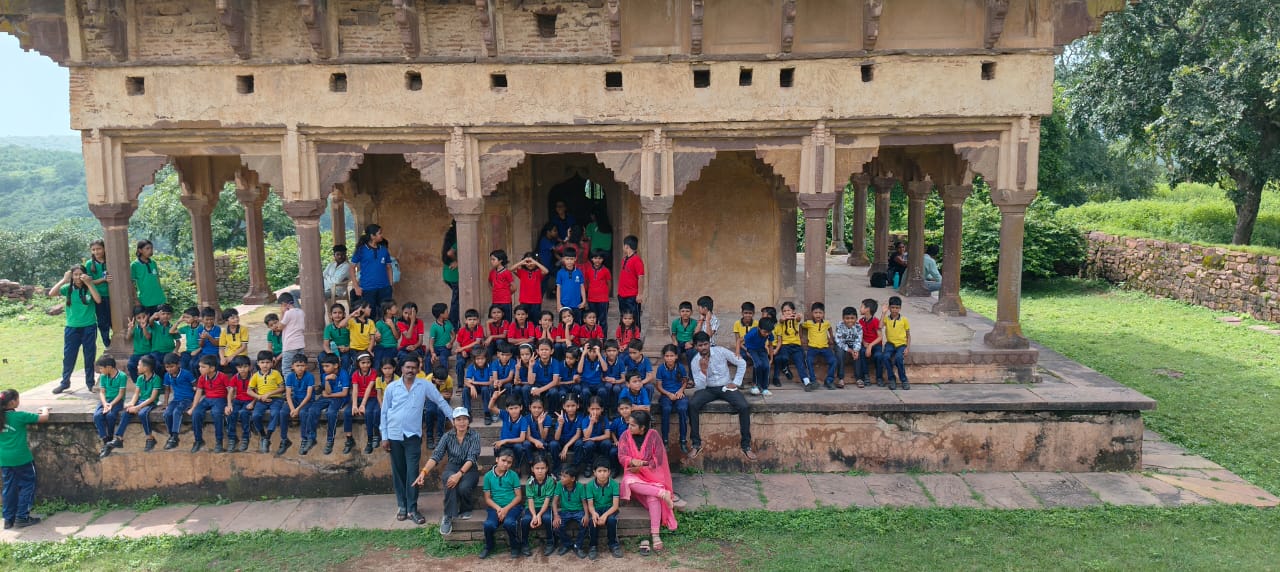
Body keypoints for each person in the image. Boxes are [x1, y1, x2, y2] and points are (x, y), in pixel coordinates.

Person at [381, 355, 455, 525]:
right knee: (399, 472)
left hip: (413, 436)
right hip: (394, 435)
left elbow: (440, 401)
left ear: (418, 369)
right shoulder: (392, 388)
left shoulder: (424, 385)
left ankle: (412, 508)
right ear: (401, 368)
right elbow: (384, 412)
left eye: (414, 367)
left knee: (413, 472)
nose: (410, 370)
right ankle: (402, 506)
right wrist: (384, 436)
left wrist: (454, 419)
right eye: (407, 367)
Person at [617, 410, 679, 554]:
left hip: (652, 474)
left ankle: (655, 534)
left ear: (642, 427)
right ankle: (662, 493)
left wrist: (643, 466)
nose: (629, 427)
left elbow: (658, 459)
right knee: (627, 482)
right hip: (633, 473)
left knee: (652, 497)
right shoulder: (625, 435)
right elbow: (621, 456)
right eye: (629, 424)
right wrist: (632, 461)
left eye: (633, 425)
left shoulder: (654, 435)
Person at [413, 406, 481, 536]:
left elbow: (472, 458)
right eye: (458, 419)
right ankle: (448, 515)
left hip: (469, 468)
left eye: (465, 419)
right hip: (452, 466)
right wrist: (423, 472)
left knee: (464, 487)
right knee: (449, 480)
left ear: (469, 420)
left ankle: (466, 508)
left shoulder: (475, 435)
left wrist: (459, 474)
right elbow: (436, 455)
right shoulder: (447, 436)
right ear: (453, 421)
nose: (462, 422)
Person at [687, 332, 755, 461]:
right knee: (692, 404)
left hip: (726, 387)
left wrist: (736, 382)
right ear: (695, 347)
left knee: (744, 406)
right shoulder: (695, 361)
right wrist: (703, 371)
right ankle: (696, 444)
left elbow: (742, 363)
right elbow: (700, 387)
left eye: (705, 344)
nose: (703, 348)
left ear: (709, 343)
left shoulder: (721, 351)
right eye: (700, 345)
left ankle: (746, 445)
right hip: (708, 389)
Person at [0, 389, 51, 530]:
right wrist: (45, 409)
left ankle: (8, 519)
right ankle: (22, 517)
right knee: (28, 484)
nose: (18, 401)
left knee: (9, 488)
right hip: (21, 458)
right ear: (12, 402)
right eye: (17, 399)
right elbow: (43, 418)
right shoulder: (19, 416)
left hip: (4, 459)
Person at [51, 266, 101, 394]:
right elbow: (51, 293)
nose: (78, 277)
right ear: (72, 276)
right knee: (69, 356)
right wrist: (64, 280)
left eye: (80, 274)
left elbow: (98, 300)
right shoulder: (68, 288)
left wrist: (89, 283)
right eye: (75, 274)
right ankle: (65, 382)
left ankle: (90, 383)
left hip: (89, 327)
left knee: (89, 356)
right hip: (72, 328)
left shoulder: (89, 287)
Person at [480, 447, 525, 559]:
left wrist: (505, 509)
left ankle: (515, 546)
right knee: (488, 525)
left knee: (509, 523)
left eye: (509, 462)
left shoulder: (513, 475)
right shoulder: (488, 476)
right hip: (495, 507)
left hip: (512, 506)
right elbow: (487, 499)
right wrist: (499, 509)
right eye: (503, 460)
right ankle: (489, 546)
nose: (505, 464)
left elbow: (518, 497)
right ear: (497, 459)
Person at [113, 354, 163, 452]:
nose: (137, 367)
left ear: (146, 367)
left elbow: (152, 398)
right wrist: (132, 403)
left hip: (150, 402)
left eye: (139, 365)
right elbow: (136, 393)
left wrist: (137, 407)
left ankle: (150, 438)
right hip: (141, 400)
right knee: (126, 412)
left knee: (142, 413)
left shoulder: (156, 379)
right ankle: (119, 438)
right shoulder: (140, 378)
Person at [189, 355, 232, 453]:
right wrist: (193, 407)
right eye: (199, 366)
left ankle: (219, 442)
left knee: (216, 413)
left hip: (220, 399)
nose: (200, 369)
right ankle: (198, 440)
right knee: (196, 413)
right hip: (207, 399)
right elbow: (198, 393)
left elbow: (230, 391)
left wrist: (229, 404)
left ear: (212, 368)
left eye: (203, 367)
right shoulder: (202, 378)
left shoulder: (222, 376)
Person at [520, 453, 559, 556]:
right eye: (537, 468)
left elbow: (547, 500)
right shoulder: (530, 482)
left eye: (542, 468)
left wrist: (539, 515)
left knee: (547, 518)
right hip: (532, 507)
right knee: (525, 520)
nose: (540, 471)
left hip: (545, 506)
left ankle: (550, 542)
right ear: (532, 469)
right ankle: (524, 544)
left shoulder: (550, 481)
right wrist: (534, 515)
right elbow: (530, 501)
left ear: (547, 469)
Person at [584, 457, 623, 559]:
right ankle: (593, 545)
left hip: (610, 508)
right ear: (594, 472)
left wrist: (605, 515)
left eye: (605, 471)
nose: (602, 474)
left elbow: (615, 506)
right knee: (592, 520)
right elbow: (590, 505)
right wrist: (593, 513)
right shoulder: (590, 485)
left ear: (609, 472)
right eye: (599, 471)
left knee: (611, 520)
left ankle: (613, 544)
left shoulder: (614, 484)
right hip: (596, 508)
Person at [349, 224, 395, 312]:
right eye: (379, 233)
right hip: (367, 289)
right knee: (369, 314)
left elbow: (389, 267)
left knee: (384, 313)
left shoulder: (384, 250)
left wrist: (390, 285)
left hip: (384, 288)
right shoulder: (361, 250)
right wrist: (356, 287)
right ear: (372, 236)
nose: (382, 235)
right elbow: (351, 268)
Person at [653, 344, 690, 451]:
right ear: (664, 357)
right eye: (667, 356)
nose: (669, 358)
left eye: (671, 356)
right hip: (666, 395)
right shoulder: (661, 368)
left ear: (676, 356)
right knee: (666, 409)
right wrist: (668, 394)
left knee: (682, 409)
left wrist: (680, 391)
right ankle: (665, 440)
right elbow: (659, 386)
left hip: (679, 394)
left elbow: (685, 382)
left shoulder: (680, 367)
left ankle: (683, 440)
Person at [248, 350, 285, 453]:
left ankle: (268, 437)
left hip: (276, 399)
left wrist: (269, 394)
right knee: (256, 415)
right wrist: (259, 397)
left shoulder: (276, 373)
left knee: (275, 413)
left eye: (268, 362)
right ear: (258, 363)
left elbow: (282, 388)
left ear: (272, 363)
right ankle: (263, 436)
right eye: (262, 362)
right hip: (261, 400)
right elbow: (249, 391)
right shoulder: (255, 375)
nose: (265, 365)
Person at [93, 355, 128, 458]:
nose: (100, 371)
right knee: (97, 416)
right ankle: (106, 441)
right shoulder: (103, 376)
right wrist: (105, 404)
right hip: (105, 400)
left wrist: (111, 404)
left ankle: (110, 437)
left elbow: (121, 394)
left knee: (110, 415)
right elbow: (102, 392)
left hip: (117, 401)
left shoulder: (122, 376)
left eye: (101, 368)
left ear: (108, 367)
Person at [281, 353, 315, 456]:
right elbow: (288, 394)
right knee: (283, 412)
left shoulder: (310, 376)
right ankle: (284, 439)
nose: (300, 368)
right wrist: (292, 409)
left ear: (306, 366)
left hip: (307, 401)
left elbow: (308, 395)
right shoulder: (290, 376)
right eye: (297, 365)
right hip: (295, 399)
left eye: (302, 365)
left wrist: (297, 409)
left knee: (303, 413)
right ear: (292, 366)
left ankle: (305, 439)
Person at [553, 463, 590, 558]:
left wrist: (586, 515)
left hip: (579, 511)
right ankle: (567, 543)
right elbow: (554, 502)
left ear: (572, 479)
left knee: (585, 523)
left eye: (564, 476)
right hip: (565, 511)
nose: (561, 478)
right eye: (561, 475)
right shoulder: (559, 485)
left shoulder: (580, 486)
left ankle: (578, 546)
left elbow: (584, 503)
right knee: (557, 525)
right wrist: (556, 515)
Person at [773, 301, 812, 389]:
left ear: (793, 311)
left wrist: (798, 316)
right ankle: (784, 368)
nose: (787, 312)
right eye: (784, 311)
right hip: (785, 345)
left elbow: (798, 318)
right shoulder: (781, 321)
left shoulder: (795, 320)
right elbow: (781, 320)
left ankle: (806, 382)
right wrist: (784, 318)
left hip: (796, 346)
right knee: (784, 358)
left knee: (800, 362)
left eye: (789, 310)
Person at [161, 353, 196, 450]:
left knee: (177, 412)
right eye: (167, 367)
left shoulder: (186, 374)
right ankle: (171, 435)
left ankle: (175, 436)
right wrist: (165, 402)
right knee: (166, 414)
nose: (169, 369)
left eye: (172, 366)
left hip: (187, 399)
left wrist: (194, 402)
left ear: (178, 364)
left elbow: (196, 387)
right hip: (176, 399)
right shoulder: (167, 376)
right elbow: (167, 390)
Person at [801, 302, 838, 390]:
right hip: (812, 348)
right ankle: (813, 380)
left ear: (823, 314)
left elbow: (829, 328)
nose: (818, 315)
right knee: (808, 360)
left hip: (825, 348)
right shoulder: (809, 323)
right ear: (812, 313)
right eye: (816, 313)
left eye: (820, 313)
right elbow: (800, 326)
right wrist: (801, 337)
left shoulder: (826, 323)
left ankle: (829, 380)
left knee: (834, 361)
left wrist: (831, 338)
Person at [83, 239, 113, 346]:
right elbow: (88, 282)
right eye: (93, 249)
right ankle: (107, 344)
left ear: (104, 249)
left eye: (99, 249)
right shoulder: (89, 264)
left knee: (114, 320)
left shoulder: (110, 261)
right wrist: (103, 279)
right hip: (98, 297)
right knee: (102, 322)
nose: (96, 252)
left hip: (112, 296)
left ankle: (119, 342)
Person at [350, 352, 381, 454]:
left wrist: (362, 405)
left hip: (372, 396)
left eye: (368, 362)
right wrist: (355, 405)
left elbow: (369, 388)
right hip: (359, 397)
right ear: (358, 363)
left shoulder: (374, 372)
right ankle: (352, 439)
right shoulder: (355, 374)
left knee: (369, 412)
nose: (366, 365)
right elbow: (355, 390)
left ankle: (373, 437)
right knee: (347, 412)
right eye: (363, 363)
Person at [881, 296, 911, 390]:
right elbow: (880, 326)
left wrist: (907, 348)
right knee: (885, 357)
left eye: (897, 308)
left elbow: (908, 335)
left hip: (901, 345)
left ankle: (904, 380)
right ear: (889, 308)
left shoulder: (904, 320)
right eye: (892, 307)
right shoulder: (886, 319)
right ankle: (891, 379)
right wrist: (883, 312)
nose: (894, 310)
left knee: (898, 358)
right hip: (890, 344)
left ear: (900, 308)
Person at [130, 239, 166, 313]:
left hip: (159, 298)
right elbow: (131, 283)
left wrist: (162, 294)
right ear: (140, 250)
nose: (150, 251)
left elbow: (157, 279)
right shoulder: (134, 265)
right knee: (148, 319)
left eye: (151, 248)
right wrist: (135, 299)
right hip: (145, 300)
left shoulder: (153, 263)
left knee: (160, 319)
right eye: (147, 248)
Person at [744, 318, 777, 396]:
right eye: (764, 332)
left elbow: (771, 345)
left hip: (761, 349)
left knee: (767, 365)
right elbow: (739, 341)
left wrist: (771, 358)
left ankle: (764, 388)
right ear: (759, 328)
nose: (766, 334)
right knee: (758, 364)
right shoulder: (753, 332)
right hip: (752, 349)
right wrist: (740, 352)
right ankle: (755, 386)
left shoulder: (769, 333)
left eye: (768, 332)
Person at [858, 299, 886, 388]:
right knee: (862, 352)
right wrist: (863, 342)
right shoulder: (861, 321)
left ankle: (879, 377)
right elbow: (860, 335)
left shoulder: (875, 321)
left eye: (862, 307)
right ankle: (865, 376)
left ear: (867, 309)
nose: (860, 308)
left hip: (876, 344)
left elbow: (880, 337)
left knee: (878, 356)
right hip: (865, 344)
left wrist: (870, 345)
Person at [617, 235, 644, 326]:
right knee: (623, 318)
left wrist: (640, 294)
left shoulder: (637, 260)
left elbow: (641, 277)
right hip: (622, 295)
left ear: (626, 246)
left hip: (632, 296)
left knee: (634, 319)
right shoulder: (624, 259)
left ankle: (635, 335)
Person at [833, 306, 862, 389]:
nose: (850, 320)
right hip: (842, 345)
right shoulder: (840, 326)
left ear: (856, 318)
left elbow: (858, 340)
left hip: (853, 344)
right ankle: (841, 378)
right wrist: (850, 350)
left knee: (858, 354)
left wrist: (855, 350)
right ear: (843, 318)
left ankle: (858, 378)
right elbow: (839, 341)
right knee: (840, 353)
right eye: (847, 318)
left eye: (852, 318)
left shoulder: (859, 327)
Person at [583, 249, 612, 333]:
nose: (597, 260)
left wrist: (606, 295)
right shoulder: (588, 270)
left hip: (603, 300)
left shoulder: (606, 270)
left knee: (603, 320)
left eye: (600, 258)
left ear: (603, 259)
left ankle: (603, 338)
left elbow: (609, 283)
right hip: (591, 299)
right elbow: (586, 282)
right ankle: (593, 337)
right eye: (595, 258)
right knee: (592, 320)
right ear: (591, 259)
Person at [516, 252, 550, 318]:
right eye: (527, 262)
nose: (530, 264)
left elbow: (546, 271)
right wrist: (522, 261)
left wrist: (535, 262)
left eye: (531, 262)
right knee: (525, 319)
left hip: (536, 301)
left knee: (536, 319)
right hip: (524, 300)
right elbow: (510, 269)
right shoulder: (522, 272)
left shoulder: (538, 272)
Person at [556, 250, 587, 321]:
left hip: (577, 304)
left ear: (575, 259)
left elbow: (582, 287)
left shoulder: (579, 272)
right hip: (564, 304)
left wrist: (584, 301)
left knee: (576, 323)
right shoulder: (560, 273)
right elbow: (558, 288)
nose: (569, 261)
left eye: (571, 259)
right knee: (564, 323)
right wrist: (558, 303)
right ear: (563, 259)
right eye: (567, 259)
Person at [277, 292, 306, 367]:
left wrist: (282, 312)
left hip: (290, 345)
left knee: (287, 368)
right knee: (299, 367)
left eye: (281, 305)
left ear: (284, 304)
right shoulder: (301, 312)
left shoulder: (288, 313)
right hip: (300, 344)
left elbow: (279, 327)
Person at [488, 250, 515, 322]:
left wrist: (507, 293)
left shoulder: (507, 272)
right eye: (491, 259)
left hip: (506, 301)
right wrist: (493, 291)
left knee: (506, 321)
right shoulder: (492, 272)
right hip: (495, 301)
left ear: (500, 260)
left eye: (493, 259)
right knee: (495, 321)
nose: (491, 261)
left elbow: (514, 287)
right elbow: (489, 282)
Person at [441, 225, 460, 326]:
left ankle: (455, 322)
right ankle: (453, 324)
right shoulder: (459, 239)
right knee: (456, 301)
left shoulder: (449, 238)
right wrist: (457, 261)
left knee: (457, 300)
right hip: (454, 275)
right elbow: (450, 253)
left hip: (447, 274)